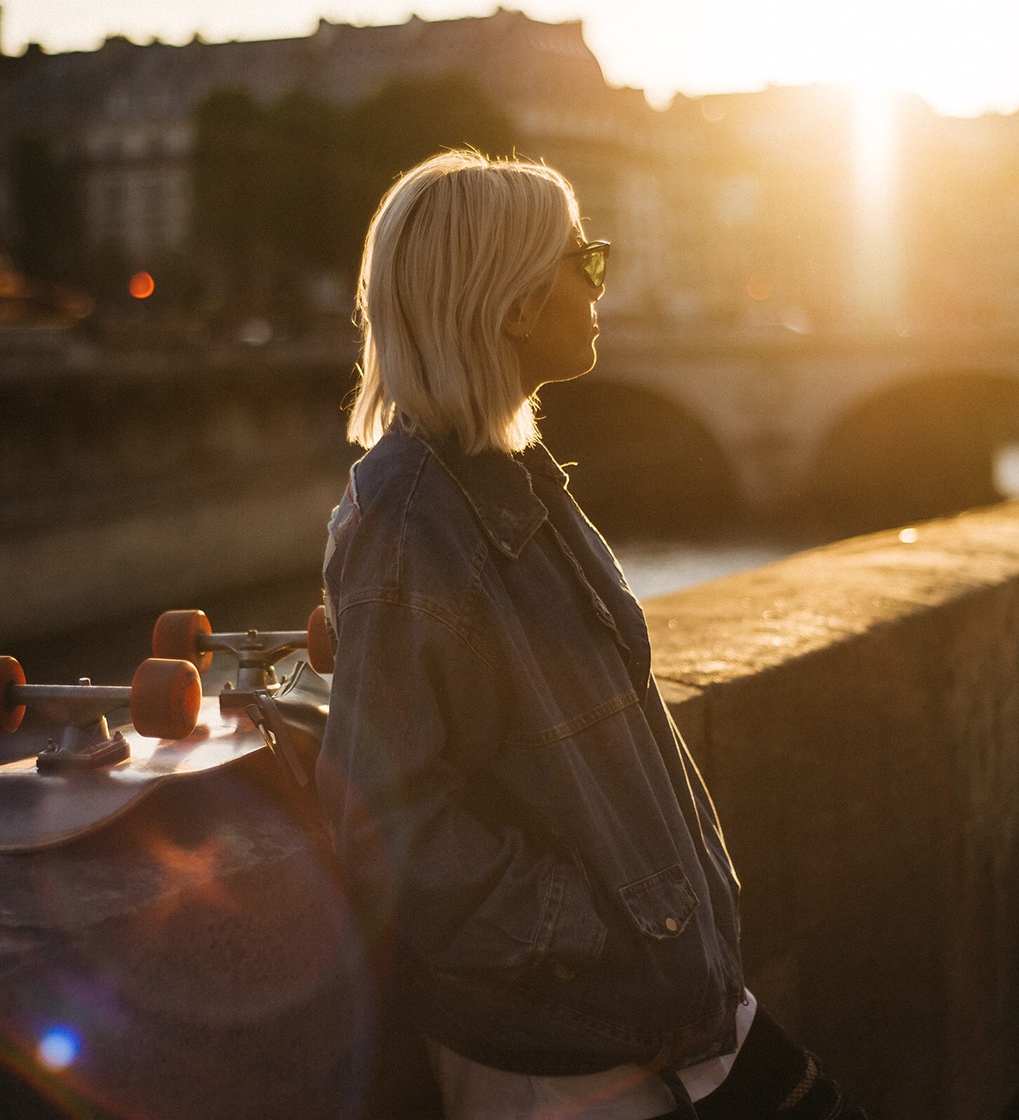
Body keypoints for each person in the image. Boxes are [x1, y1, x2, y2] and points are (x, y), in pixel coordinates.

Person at [317, 151, 866, 1120]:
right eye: (585, 261)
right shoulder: (410, 518)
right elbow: (384, 818)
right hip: (563, 1048)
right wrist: (593, 924)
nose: (601, 280)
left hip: (662, 1009)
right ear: (516, 305)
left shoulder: (513, 479)